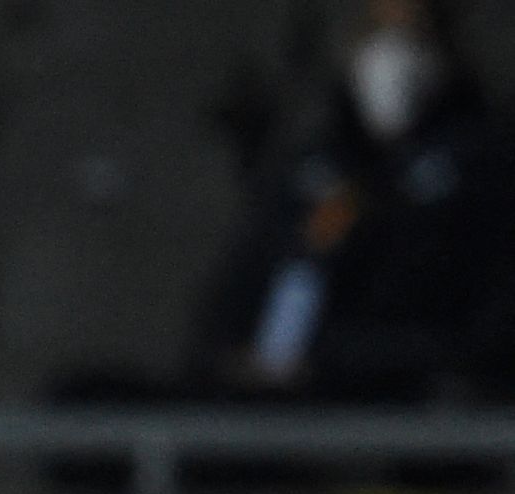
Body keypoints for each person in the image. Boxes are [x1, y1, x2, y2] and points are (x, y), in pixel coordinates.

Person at [193, 0, 515, 405]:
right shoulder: (312, 171)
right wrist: (234, 355)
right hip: (284, 413)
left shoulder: (482, 170)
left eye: (410, 37)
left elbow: (473, 327)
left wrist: (332, 362)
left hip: (417, 416)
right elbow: (246, 289)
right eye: (376, 35)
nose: (390, 57)